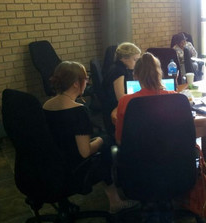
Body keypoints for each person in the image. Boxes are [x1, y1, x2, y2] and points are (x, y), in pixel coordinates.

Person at [43, 61, 138, 214]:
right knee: (107, 142)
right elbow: (85, 152)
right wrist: (101, 141)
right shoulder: (78, 111)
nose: (87, 82)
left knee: (103, 140)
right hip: (74, 169)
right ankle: (116, 201)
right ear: (75, 84)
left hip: (53, 163)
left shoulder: (46, 105)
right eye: (85, 79)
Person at [115, 53, 177, 144]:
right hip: (172, 155)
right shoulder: (176, 98)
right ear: (159, 74)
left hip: (137, 156)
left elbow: (119, 140)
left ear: (135, 75)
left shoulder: (125, 101)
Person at [101, 42, 141, 137]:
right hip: (113, 110)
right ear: (124, 58)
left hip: (114, 106)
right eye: (135, 60)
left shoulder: (121, 67)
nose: (136, 63)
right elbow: (121, 97)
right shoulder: (118, 71)